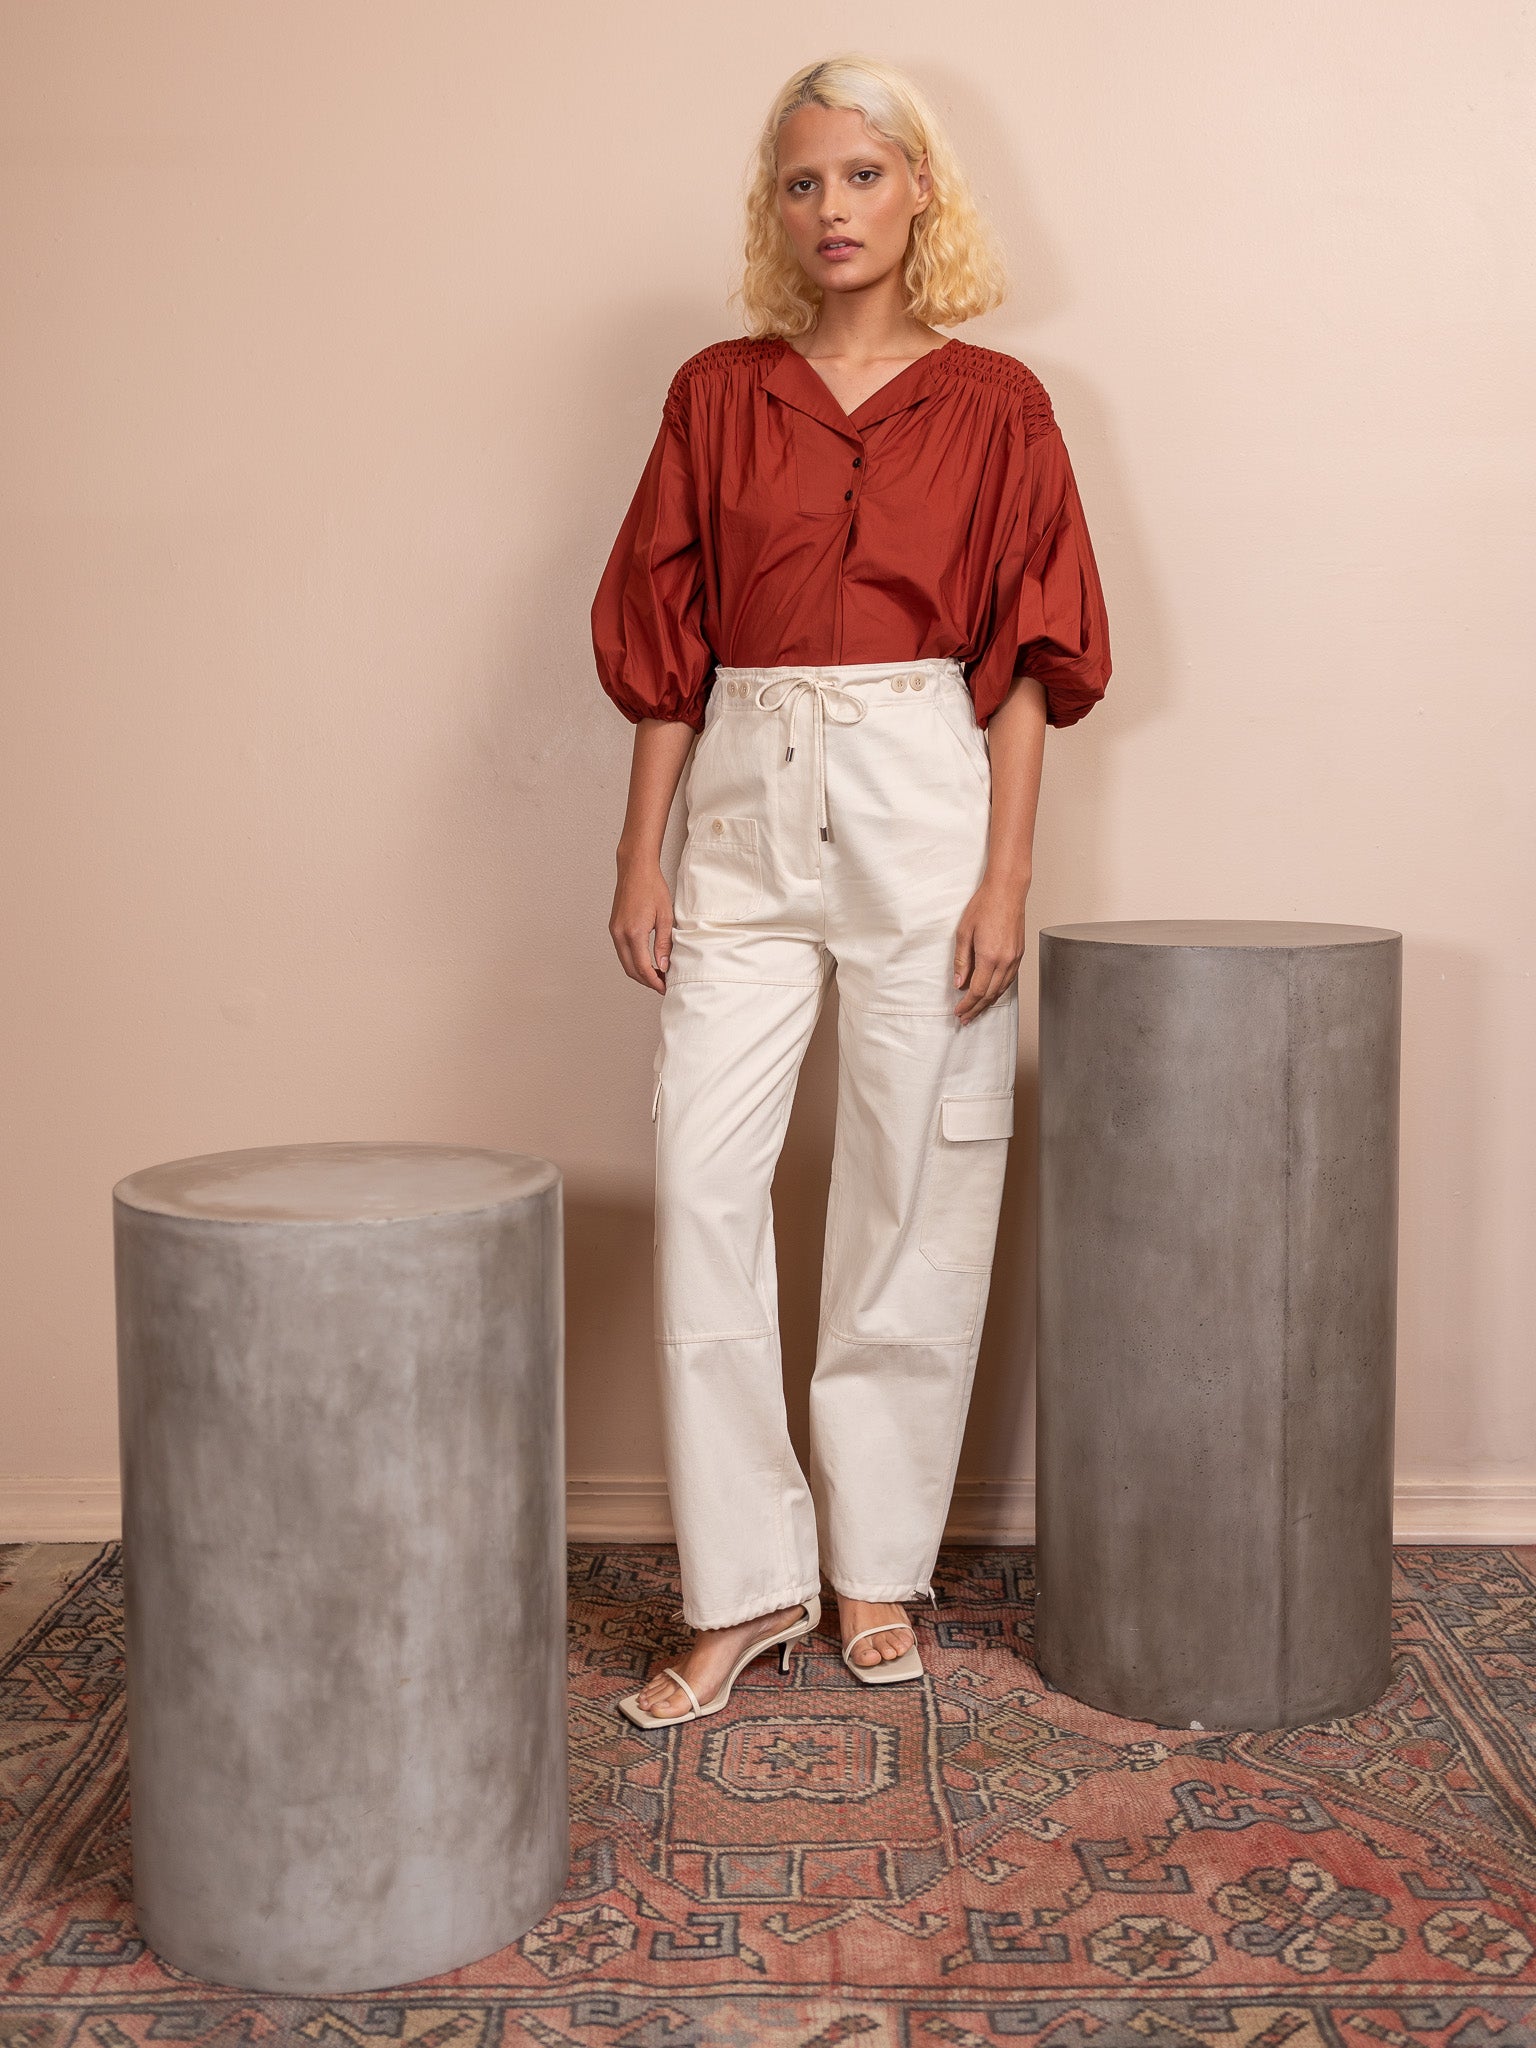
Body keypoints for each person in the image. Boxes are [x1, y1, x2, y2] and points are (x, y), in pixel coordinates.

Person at [592, 52, 1112, 1728]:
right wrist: (642, 849)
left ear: (921, 194)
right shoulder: (717, 393)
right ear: (777, 206)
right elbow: (671, 642)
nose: (834, 209)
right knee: (702, 1178)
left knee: (913, 1183)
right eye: (804, 181)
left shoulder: (1002, 405)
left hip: (922, 790)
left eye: (865, 176)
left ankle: (876, 1562)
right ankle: (746, 1585)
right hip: (745, 794)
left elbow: (1026, 660)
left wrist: (1005, 874)